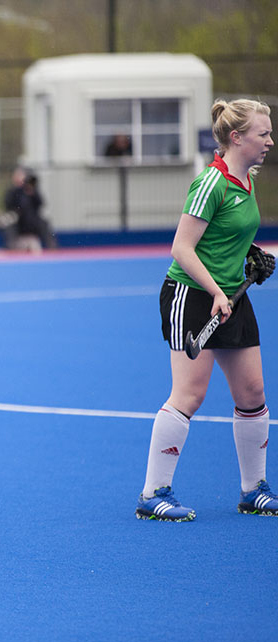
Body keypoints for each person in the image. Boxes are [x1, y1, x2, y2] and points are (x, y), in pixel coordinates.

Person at [137, 98, 277, 522]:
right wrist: (216, 290)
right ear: (237, 138)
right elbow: (182, 247)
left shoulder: (247, 180)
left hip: (230, 295)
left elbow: (222, 238)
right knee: (189, 395)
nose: (270, 140)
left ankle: (253, 490)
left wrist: (249, 255)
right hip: (192, 295)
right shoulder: (211, 183)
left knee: (252, 394)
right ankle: (153, 492)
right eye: (263, 133)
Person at [2, 167, 57, 251]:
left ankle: (52, 248)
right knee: (9, 224)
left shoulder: (31, 190)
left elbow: (40, 204)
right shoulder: (12, 191)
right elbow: (8, 205)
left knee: (44, 223)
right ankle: (12, 248)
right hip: (17, 220)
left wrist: (31, 191)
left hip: (31, 220)